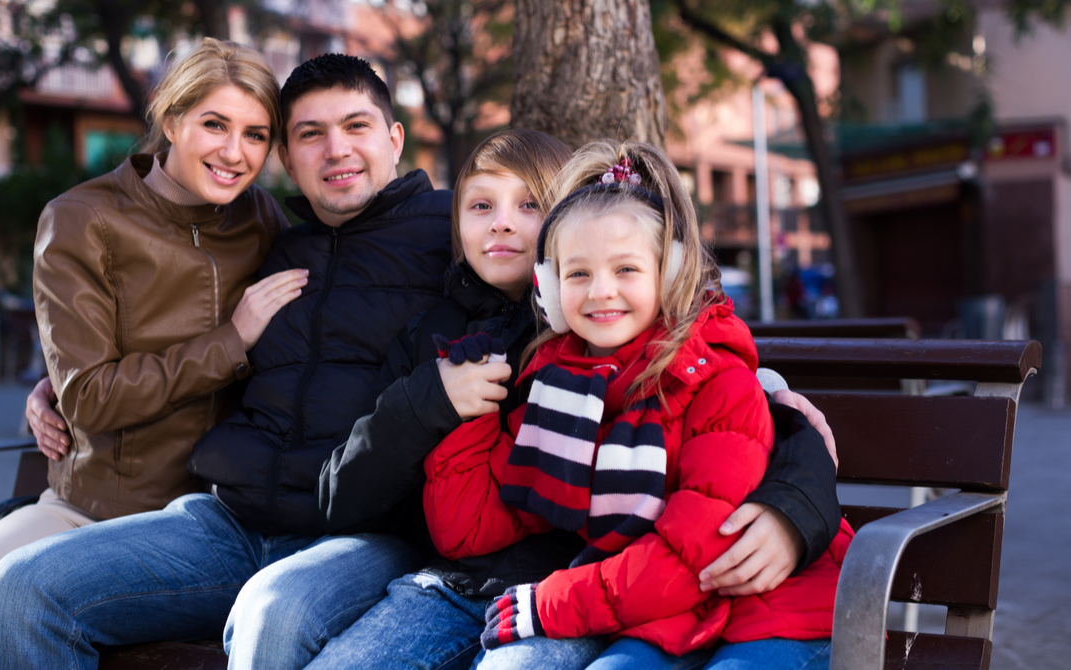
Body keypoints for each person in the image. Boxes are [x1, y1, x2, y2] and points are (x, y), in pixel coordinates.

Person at [226, 131, 842, 670]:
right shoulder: (513, 351)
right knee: (277, 615)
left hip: (596, 593)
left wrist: (794, 495)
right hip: (465, 575)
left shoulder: (639, 351)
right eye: (482, 206)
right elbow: (380, 497)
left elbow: (749, 423)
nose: (502, 223)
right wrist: (440, 403)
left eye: (527, 205)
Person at [0, 53, 453, 670]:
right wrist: (57, 382)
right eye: (310, 134)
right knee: (25, 588)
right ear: (288, 158)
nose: (335, 150)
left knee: (273, 613)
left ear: (395, 140)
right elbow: (150, 339)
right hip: (229, 522)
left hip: (363, 534)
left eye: (356, 126)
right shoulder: (275, 238)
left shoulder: (455, 236)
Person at [0, 38, 301, 670]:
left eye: (256, 134)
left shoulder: (264, 219)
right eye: (215, 124)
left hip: (205, 525)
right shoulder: (82, 218)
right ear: (171, 120)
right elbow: (88, 396)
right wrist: (231, 340)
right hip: (90, 509)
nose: (234, 153)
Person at [418, 140, 853, 670]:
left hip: (776, 612)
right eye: (578, 274)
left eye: (625, 269)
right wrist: (468, 415)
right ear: (550, 291)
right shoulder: (561, 386)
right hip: (667, 615)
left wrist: (553, 603)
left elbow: (695, 554)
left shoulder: (719, 382)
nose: (601, 292)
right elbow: (471, 527)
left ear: (667, 276)